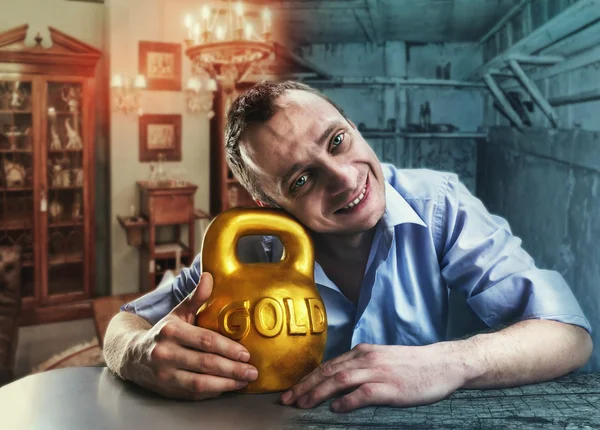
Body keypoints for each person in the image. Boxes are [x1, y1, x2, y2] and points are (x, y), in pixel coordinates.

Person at [104, 80, 592, 412]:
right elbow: (124, 323)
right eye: (301, 179)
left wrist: (449, 362)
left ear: (351, 124)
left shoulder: (440, 204)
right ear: (268, 203)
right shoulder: (249, 251)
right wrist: (137, 354)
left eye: (337, 141)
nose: (344, 178)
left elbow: (569, 336)